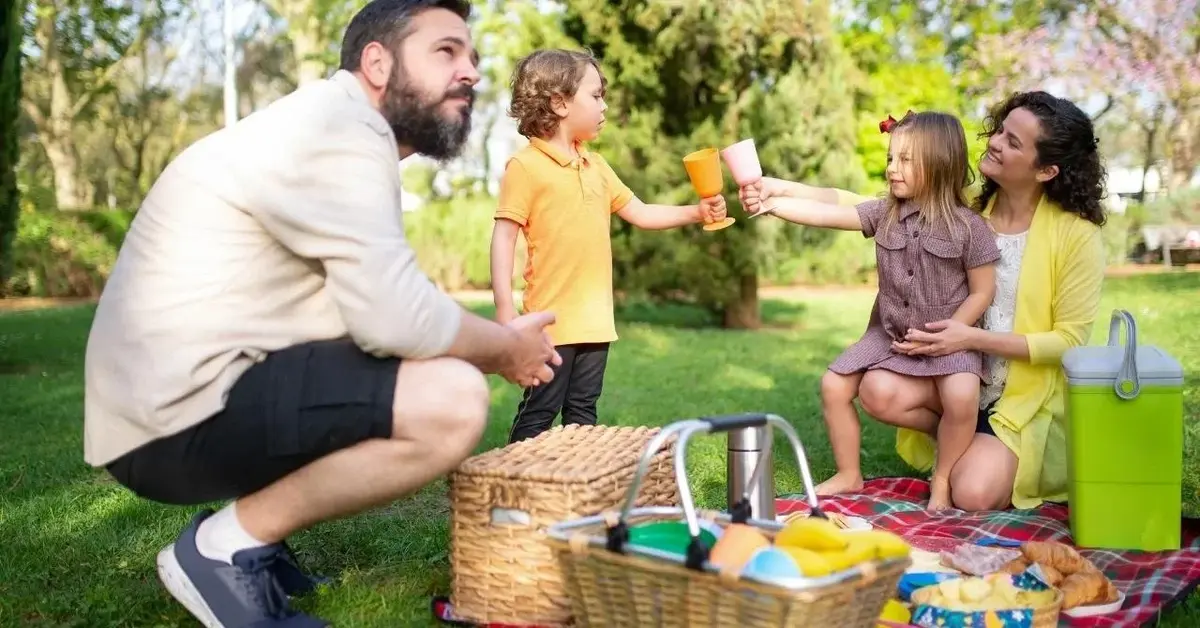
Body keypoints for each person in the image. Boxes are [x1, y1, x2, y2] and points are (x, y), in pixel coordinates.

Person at [82, 2, 561, 626]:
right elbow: (397, 318)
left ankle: (255, 539)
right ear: (377, 63)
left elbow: (376, 303)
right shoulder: (340, 131)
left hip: (166, 403)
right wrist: (503, 348)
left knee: (400, 367)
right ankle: (222, 548)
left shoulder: (332, 125)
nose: (470, 71)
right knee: (451, 399)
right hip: (167, 420)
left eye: (472, 56)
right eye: (446, 51)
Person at [739, 91, 1107, 512]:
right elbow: (860, 206)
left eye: (1014, 142)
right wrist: (780, 190)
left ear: (1046, 170)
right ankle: (958, 441)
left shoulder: (1076, 235)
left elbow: (1069, 343)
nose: (995, 142)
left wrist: (968, 338)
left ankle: (970, 458)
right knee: (876, 390)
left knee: (972, 493)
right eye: (1001, 131)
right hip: (949, 371)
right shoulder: (965, 209)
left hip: (1018, 399)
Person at [744, 111, 1000, 511]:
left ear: (940, 164)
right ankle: (849, 474)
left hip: (950, 335)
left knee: (962, 395)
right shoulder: (886, 213)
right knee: (834, 385)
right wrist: (773, 205)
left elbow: (982, 292)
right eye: (890, 159)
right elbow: (829, 214)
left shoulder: (970, 227)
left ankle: (944, 479)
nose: (892, 169)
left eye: (905, 160)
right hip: (890, 332)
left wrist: (955, 331)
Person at [490, 49, 728, 444]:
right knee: (541, 410)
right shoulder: (526, 166)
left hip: (596, 321)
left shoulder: (596, 165)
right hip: (550, 324)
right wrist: (503, 309)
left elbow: (641, 212)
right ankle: (513, 487)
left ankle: (579, 489)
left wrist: (697, 212)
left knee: (584, 411)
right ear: (559, 102)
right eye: (596, 96)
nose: (604, 106)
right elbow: (503, 236)